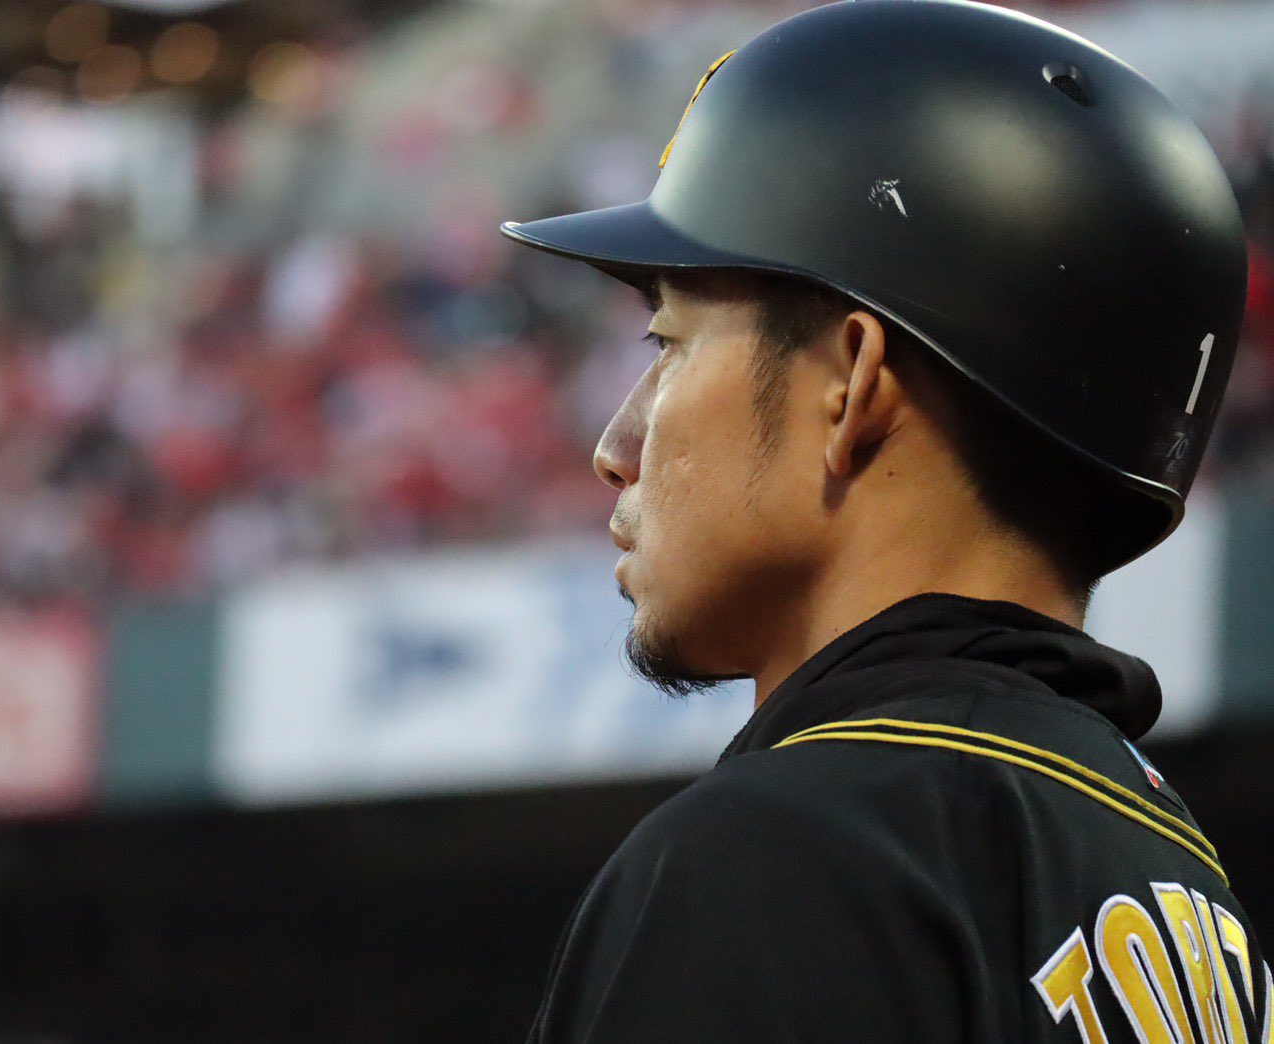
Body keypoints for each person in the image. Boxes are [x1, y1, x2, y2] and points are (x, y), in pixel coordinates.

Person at [500, 1, 1266, 1040]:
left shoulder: (782, 851)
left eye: (667, 344)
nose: (614, 446)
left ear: (850, 383)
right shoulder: (1194, 910)